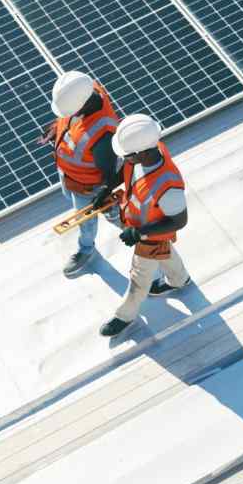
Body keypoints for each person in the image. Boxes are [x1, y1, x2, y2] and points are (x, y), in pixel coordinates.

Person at [101, 114, 191, 337]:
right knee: (166, 252)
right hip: (144, 228)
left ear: (141, 153)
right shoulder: (147, 150)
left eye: (127, 156)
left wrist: (139, 232)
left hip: (149, 235)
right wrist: (107, 189)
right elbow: (126, 171)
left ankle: (125, 315)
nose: (125, 160)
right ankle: (180, 280)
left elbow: (179, 221)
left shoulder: (168, 186)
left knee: (139, 280)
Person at [47, 71, 122, 277]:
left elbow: (113, 173)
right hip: (69, 178)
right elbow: (70, 120)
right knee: (74, 204)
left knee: (87, 223)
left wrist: (103, 193)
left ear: (83, 104)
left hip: (88, 189)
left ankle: (88, 249)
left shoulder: (103, 135)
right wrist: (57, 128)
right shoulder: (83, 89)